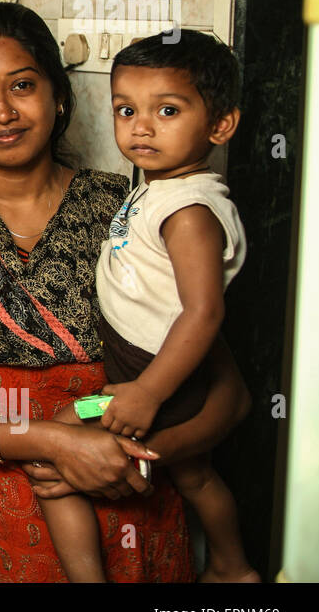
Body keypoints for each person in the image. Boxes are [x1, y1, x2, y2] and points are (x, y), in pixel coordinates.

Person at [0, 3, 252, 582]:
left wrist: (136, 457)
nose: (2, 112)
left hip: (132, 531)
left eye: (22, 86)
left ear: (59, 96)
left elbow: (229, 396)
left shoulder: (127, 213)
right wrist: (57, 443)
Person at [37, 29, 258, 582]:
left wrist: (148, 393)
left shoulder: (189, 211)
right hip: (145, 375)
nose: (140, 126)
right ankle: (233, 568)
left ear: (220, 124)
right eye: (126, 109)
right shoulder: (161, 187)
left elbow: (204, 312)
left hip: (156, 380)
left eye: (166, 109)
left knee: (53, 447)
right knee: (195, 476)